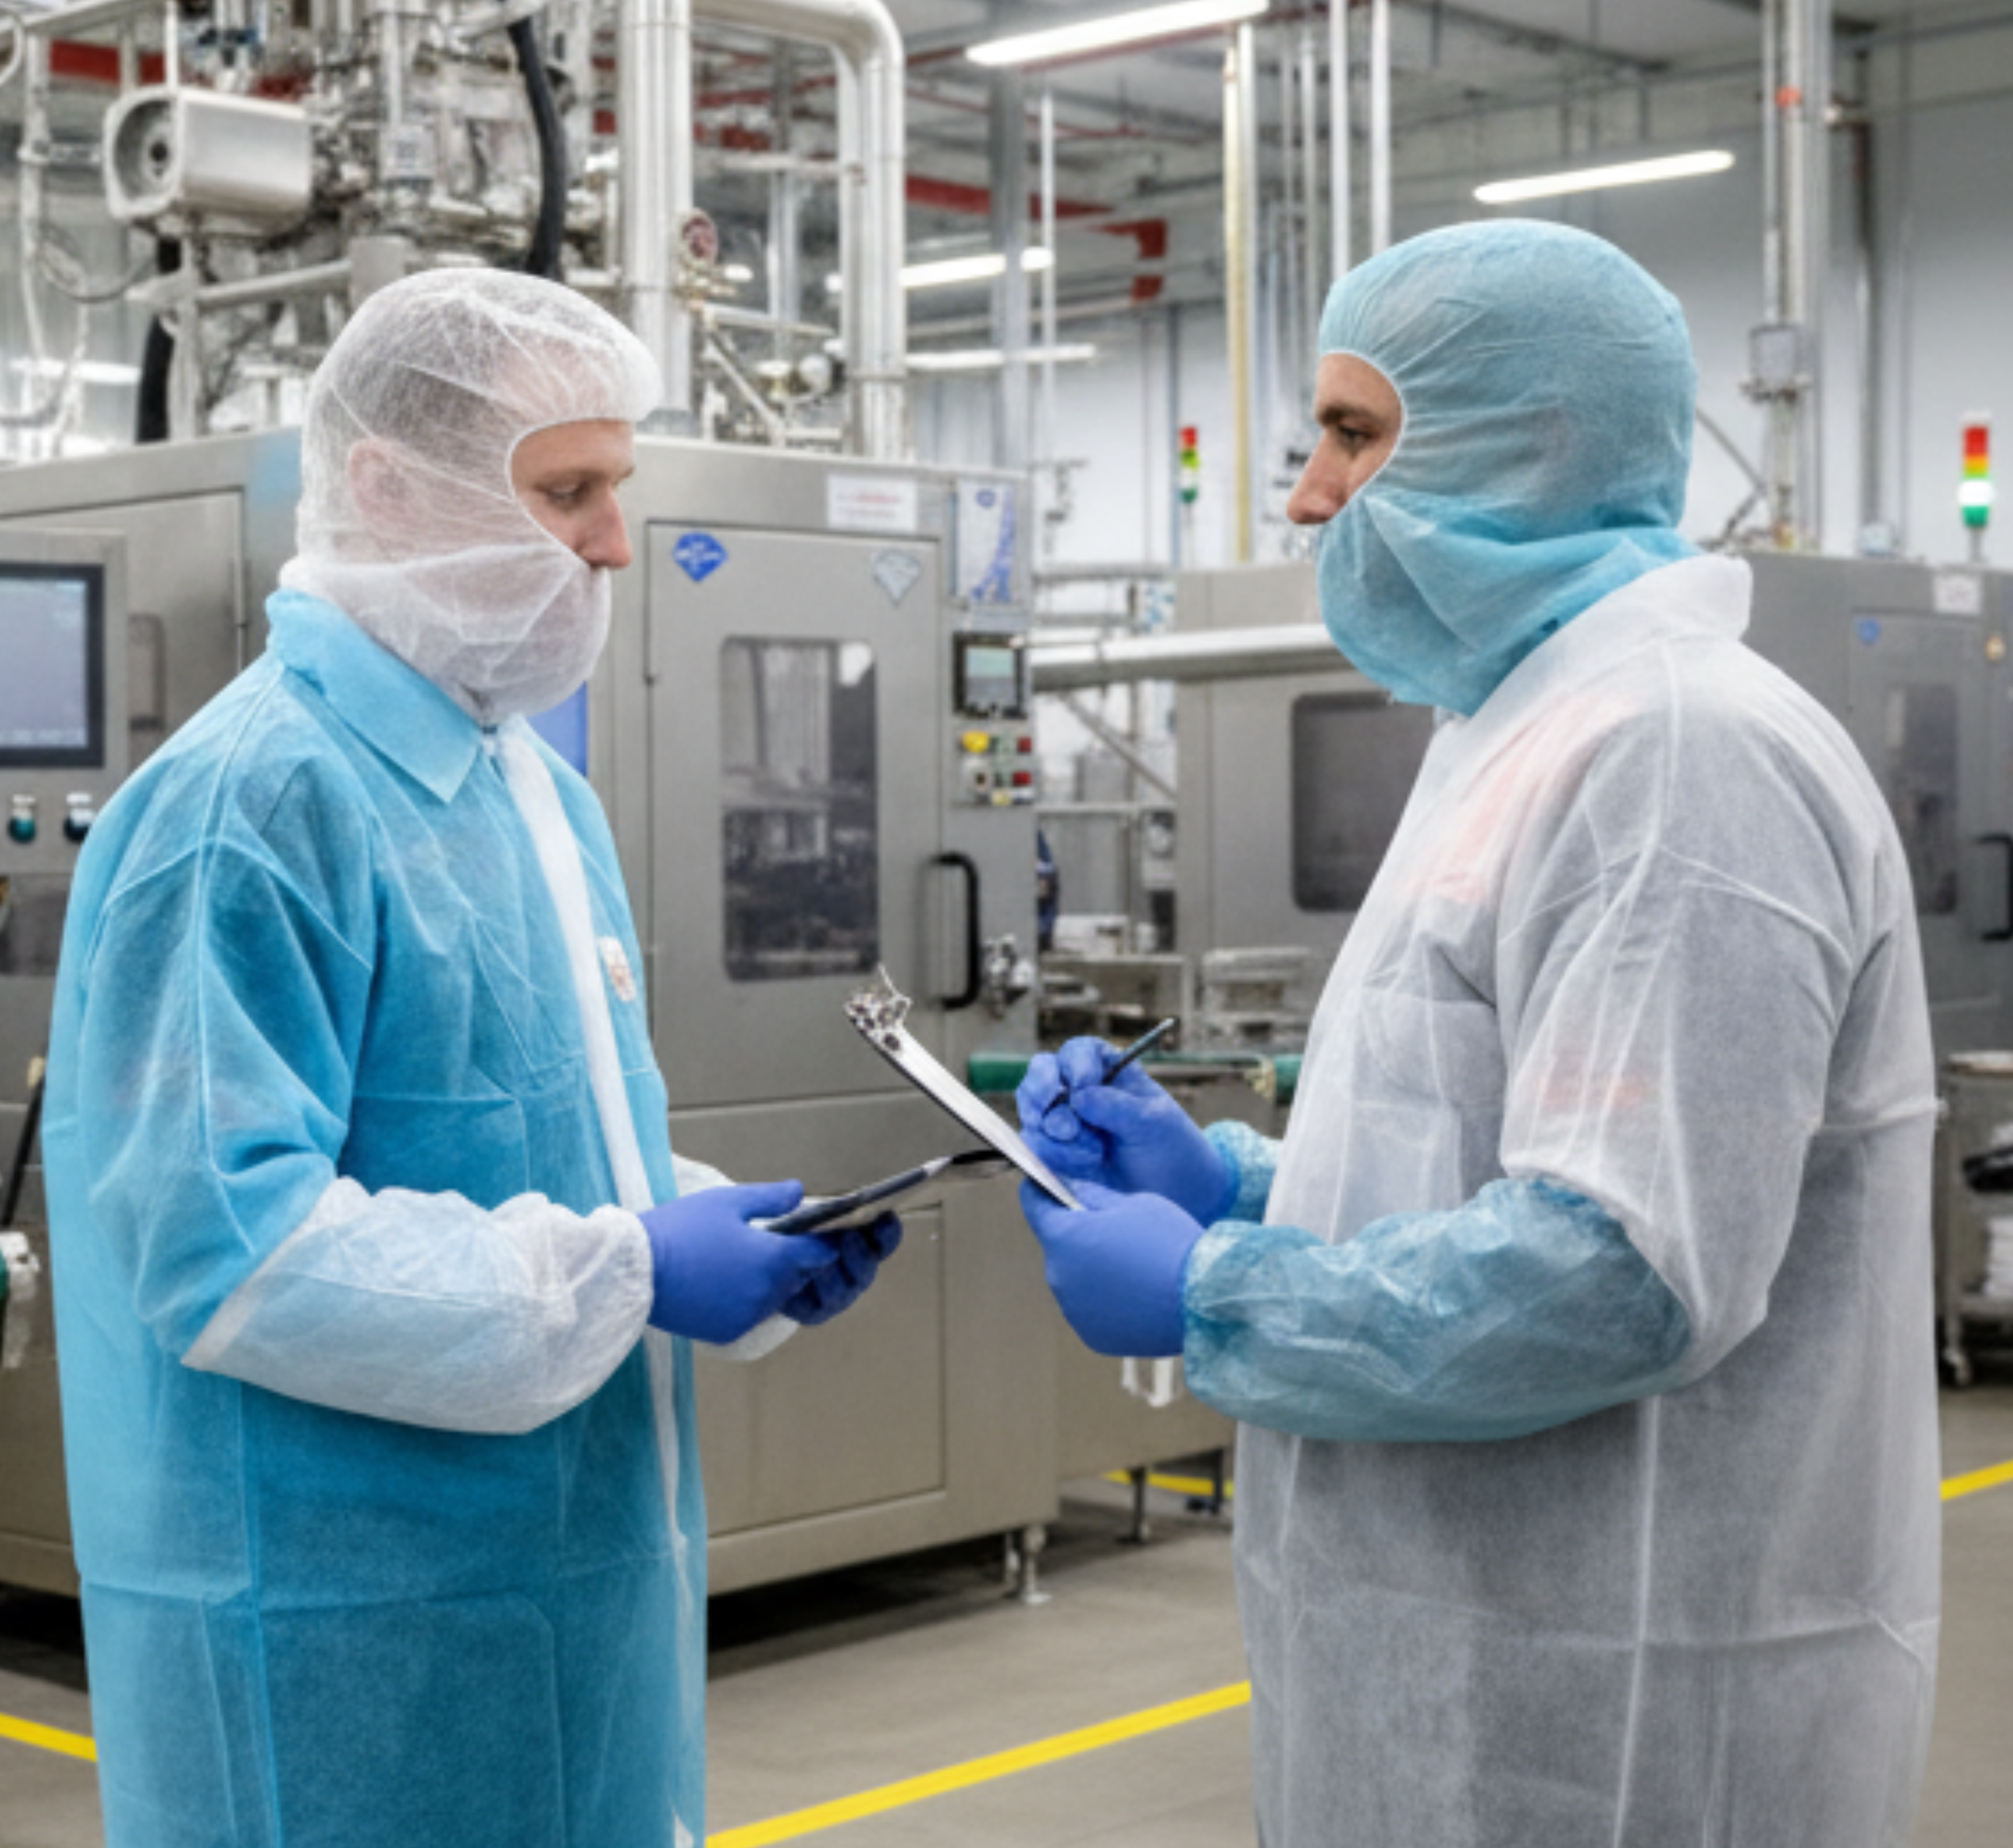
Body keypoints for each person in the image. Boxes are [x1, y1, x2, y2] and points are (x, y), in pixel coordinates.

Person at [1017, 221, 1941, 1847]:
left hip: (1625, 1704)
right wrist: (1235, 1183)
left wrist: (1217, 1288)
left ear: (1527, 446)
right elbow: (1492, 1147)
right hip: (1471, 1645)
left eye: (1354, 434)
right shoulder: (1522, 731)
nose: (1307, 495)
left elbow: (1622, 1269)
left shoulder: (1673, 758)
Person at [43, 269, 898, 1848]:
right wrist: (631, 1270)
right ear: (385, 485)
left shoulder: (526, 794)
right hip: (342, 1633)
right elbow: (227, 1251)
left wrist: (715, 1227)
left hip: (572, 1594)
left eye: (618, 491)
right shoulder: (250, 804)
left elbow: (535, 1152)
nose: (614, 544)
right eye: (567, 491)